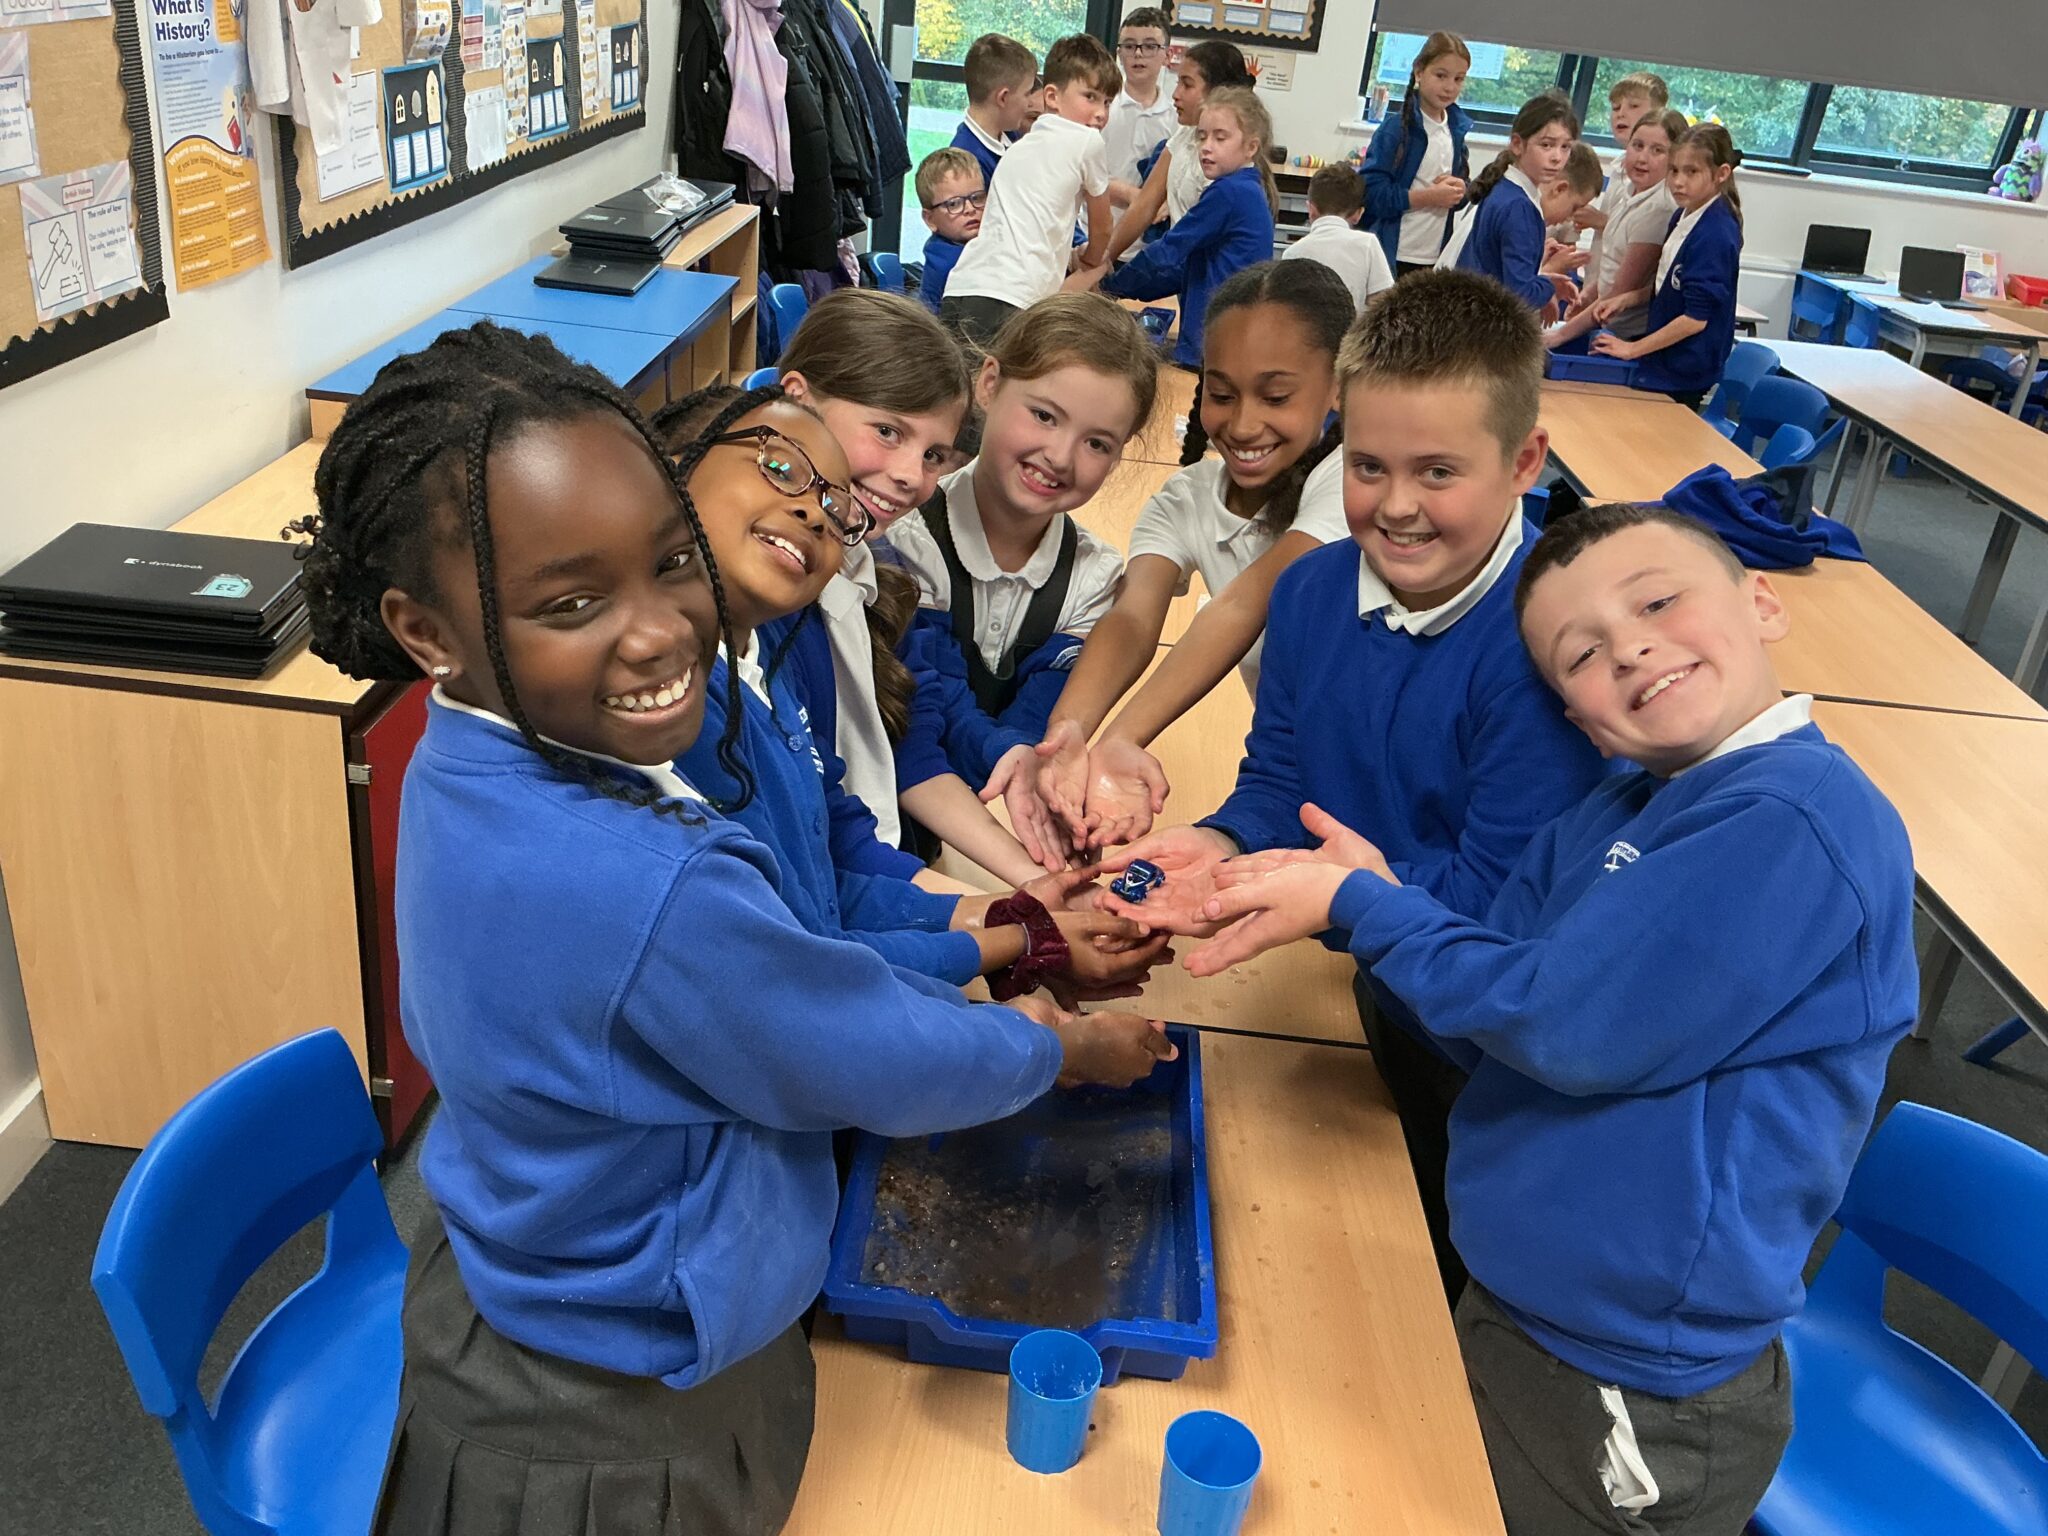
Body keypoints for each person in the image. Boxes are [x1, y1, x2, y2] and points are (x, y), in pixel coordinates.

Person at [290, 320, 1176, 1536]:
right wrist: (1052, 1047)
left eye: (668, 563)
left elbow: (800, 940)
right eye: (573, 600)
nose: (662, 630)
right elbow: (859, 1049)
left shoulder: (488, 748)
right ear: (427, 632)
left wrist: (1008, 932)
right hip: (617, 1406)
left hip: (545, 1264)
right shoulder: (643, 880)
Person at [1183, 501, 1916, 1536]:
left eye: (1657, 603)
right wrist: (1363, 901)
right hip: (1527, 1305)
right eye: (1580, 655)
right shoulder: (1618, 810)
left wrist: (1366, 907)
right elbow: (1490, 1016)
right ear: (1580, 721)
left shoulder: (1793, 817)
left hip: (1632, 1378)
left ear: (1761, 603)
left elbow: (1565, 1026)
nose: (1630, 649)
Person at [1096, 272, 1607, 1296]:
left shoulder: (1551, 644)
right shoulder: (1312, 592)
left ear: (1524, 463)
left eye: (1438, 472)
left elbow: (1500, 906)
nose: (1397, 506)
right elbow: (1279, 782)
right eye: (1369, 466)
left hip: (1501, 1049)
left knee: (1456, 1270)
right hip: (1379, 979)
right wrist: (1220, 844)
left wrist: (1327, 896)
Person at [653, 382, 1169, 994]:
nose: (814, 512)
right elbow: (785, 967)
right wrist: (1020, 954)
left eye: (835, 508)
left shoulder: (773, 653)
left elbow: (831, 859)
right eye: (782, 470)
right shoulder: (672, 702)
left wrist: (1024, 915)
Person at [1029, 259, 1357, 852]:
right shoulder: (1187, 498)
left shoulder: (1352, 478)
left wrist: (1124, 735)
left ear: (1337, 383)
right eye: (1222, 394)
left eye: (1276, 396)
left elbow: (1243, 606)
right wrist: (1067, 736)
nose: (1244, 424)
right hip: (1299, 776)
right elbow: (1132, 619)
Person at [759, 289, 1050, 888]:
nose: (910, 476)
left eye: (935, 454)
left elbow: (912, 742)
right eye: (888, 431)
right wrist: (1001, 912)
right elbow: (827, 844)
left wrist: (1036, 884)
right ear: (797, 401)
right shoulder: (764, 601)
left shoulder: (873, 562)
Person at [886, 293, 1158, 871]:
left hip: (965, 817)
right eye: (1044, 416)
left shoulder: (1092, 576)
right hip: (880, 805)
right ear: (988, 384)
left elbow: (1038, 721)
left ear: (1119, 457)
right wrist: (1013, 761)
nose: (1059, 455)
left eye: (1097, 443)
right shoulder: (904, 537)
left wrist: (1049, 782)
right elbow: (933, 706)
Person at [941, 34, 1120, 347]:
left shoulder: (1018, 149)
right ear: (1052, 96)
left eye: (1107, 102)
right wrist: (1091, 260)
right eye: (1090, 97)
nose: (1101, 112)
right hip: (1013, 299)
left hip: (961, 288)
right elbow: (1103, 228)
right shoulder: (1087, 141)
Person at [1594, 124, 1745, 410]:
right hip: (1663, 362)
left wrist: (1632, 349)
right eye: (1674, 170)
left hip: (1684, 371)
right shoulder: (1682, 216)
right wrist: (1628, 298)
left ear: (1721, 173)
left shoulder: (1715, 233)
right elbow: (1670, 284)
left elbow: (1695, 319)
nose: (1678, 182)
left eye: (1691, 172)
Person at [1100, 39, 1255, 268]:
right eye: (1177, 82)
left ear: (1218, 93)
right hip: (1182, 268)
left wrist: (1123, 279)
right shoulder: (1184, 135)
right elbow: (1144, 205)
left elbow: (1183, 244)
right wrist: (1104, 259)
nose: (1175, 94)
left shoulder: (1230, 159)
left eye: (1187, 85)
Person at [1545, 110, 1683, 351]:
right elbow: (1613, 265)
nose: (1642, 158)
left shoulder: (1658, 209)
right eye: (1637, 145)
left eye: (1657, 150)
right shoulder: (1629, 193)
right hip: (1603, 321)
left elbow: (1621, 291)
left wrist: (1559, 336)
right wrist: (1588, 295)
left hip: (1624, 334)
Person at [1441, 93, 1583, 318]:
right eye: (1546, 145)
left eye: (1565, 147)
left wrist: (1543, 281)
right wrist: (1548, 287)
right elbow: (1520, 294)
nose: (1557, 157)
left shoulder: (1504, 187)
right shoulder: (1519, 207)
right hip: (1488, 320)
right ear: (1517, 144)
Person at [1359, 30, 1472, 275]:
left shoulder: (1456, 130)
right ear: (1419, 71)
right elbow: (1371, 194)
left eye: (1458, 79)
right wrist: (1427, 197)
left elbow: (1459, 192)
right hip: (1393, 255)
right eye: (1441, 75)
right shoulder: (1395, 130)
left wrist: (1462, 190)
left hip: (1436, 258)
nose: (1449, 87)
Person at [1567, 70, 1668, 243]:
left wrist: (1602, 221)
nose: (1620, 113)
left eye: (1633, 106)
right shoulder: (1618, 167)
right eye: (1616, 108)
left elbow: (1647, 233)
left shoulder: (1658, 176)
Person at [1284, 162, 1397, 313]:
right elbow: (1382, 303)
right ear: (1358, 214)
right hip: (1354, 327)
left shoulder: (1292, 253)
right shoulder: (1367, 244)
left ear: (1311, 209)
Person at [1104, 6, 1175, 202]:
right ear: (1119, 53)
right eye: (1129, 46)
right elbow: (1082, 171)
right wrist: (1130, 194)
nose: (1138, 53)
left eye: (1150, 46)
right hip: (1094, 217)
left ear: (1167, 55)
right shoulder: (1102, 108)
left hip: (1151, 219)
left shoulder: (1175, 117)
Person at [951, 32, 1036, 186]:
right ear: (1003, 98)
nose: (1030, 103)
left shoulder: (1010, 135)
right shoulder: (966, 167)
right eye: (1027, 93)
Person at [913, 148, 985, 314]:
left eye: (977, 198)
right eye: (954, 204)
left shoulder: (960, 242)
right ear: (930, 219)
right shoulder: (951, 263)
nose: (970, 209)